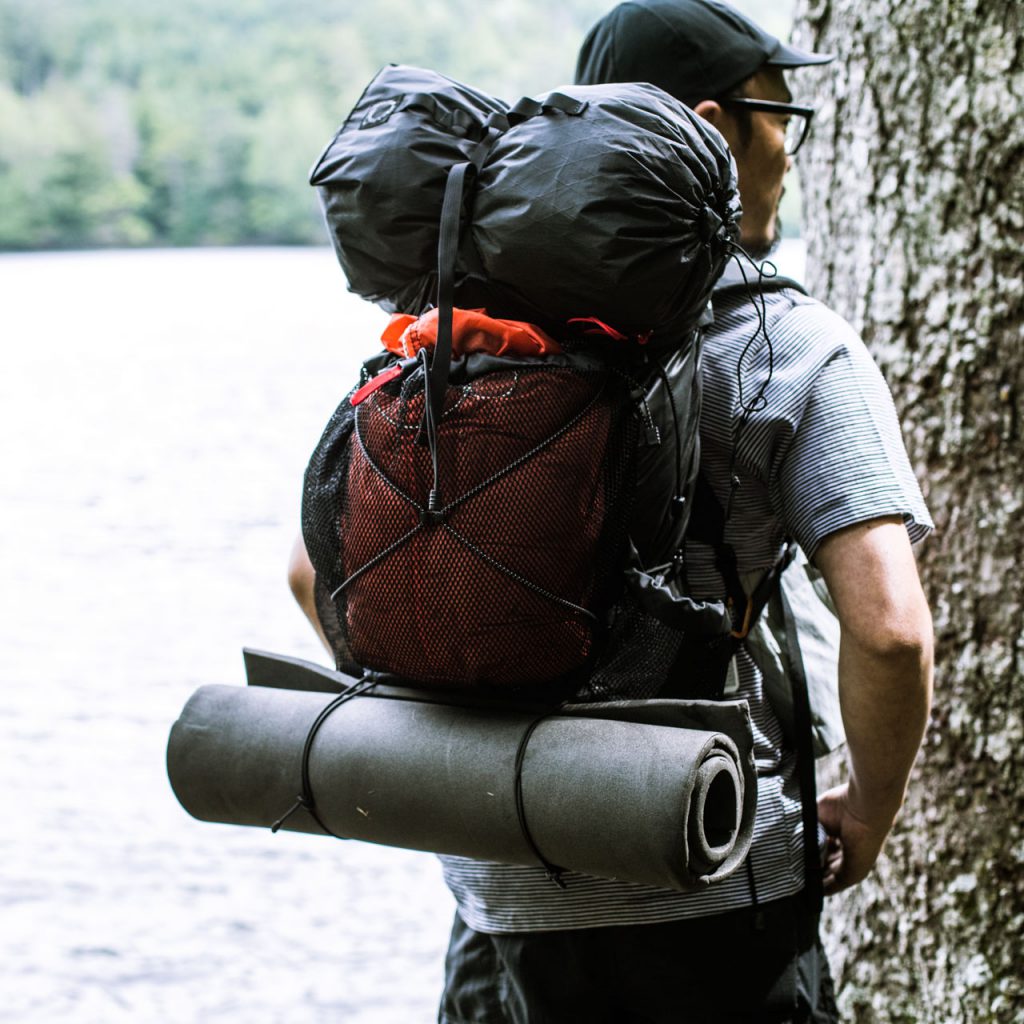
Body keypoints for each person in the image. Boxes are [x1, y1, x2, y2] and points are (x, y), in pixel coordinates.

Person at [289, 2, 935, 1019]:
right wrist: (874, 806)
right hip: (715, 885)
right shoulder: (794, 344)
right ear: (719, 129)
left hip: (497, 902)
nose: (788, 152)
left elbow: (309, 573)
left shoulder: (468, 330)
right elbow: (891, 633)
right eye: (781, 117)